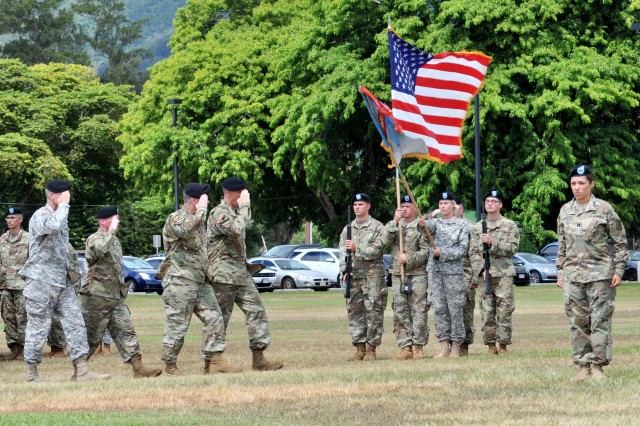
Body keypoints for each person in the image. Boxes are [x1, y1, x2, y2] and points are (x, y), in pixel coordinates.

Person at [18, 179, 110, 382]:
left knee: (76, 323)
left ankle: (82, 370)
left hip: (62, 281)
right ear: (53, 195)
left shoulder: (60, 215)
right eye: (64, 193)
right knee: (38, 327)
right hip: (41, 281)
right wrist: (64, 205)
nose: (68, 196)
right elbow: (53, 226)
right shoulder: (41, 215)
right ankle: (32, 375)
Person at [557, 165, 627, 381]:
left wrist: (620, 270)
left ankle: (597, 367)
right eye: (573, 184)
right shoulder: (564, 211)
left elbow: (620, 243)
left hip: (600, 275)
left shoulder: (604, 209)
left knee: (599, 320)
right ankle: (583, 367)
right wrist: (560, 270)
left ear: (591, 184)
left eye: (581, 183)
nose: (576, 188)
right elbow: (562, 244)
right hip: (573, 276)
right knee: (577, 322)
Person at [162, 182, 241, 376]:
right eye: (204, 198)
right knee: (178, 327)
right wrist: (202, 211)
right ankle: (170, 366)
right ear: (195, 200)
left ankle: (214, 362)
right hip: (180, 282)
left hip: (200, 281)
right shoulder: (176, 218)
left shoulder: (200, 224)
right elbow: (185, 230)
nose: (209, 200)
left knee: (215, 318)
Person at [207, 177, 283, 371]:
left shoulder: (234, 212)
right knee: (220, 318)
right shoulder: (219, 213)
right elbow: (236, 229)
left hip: (241, 273)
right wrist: (245, 207)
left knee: (256, 311)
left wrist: (241, 209)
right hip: (223, 275)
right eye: (241, 194)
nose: (244, 198)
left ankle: (259, 358)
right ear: (230, 194)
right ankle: (213, 362)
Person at [80, 206, 162, 378]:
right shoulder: (94, 239)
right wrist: (111, 232)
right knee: (91, 337)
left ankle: (138, 369)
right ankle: (79, 371)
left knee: (127, 330)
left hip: (116, 295)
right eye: (114, 218)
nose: (118, 221)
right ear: (103, 221)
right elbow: (96, 253)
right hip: (97, 296)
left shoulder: (114, 240)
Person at [469, 190, 519, 355]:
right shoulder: (477, 228)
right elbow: (473, 253)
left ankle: (503, 345)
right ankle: (491, 345)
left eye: (493, 201)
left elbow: (512, 249)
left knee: (504, 310)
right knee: (487, 311)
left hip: (503, 273)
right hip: (486, 275)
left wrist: (493, 243)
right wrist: (481, 269)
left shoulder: (509, 225)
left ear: (500, 204)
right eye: (487, 201)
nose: (489, 203)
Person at [381, 195, 430, 360]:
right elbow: (384, 241)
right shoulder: (396, 226)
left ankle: (418, 346)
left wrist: (409, 259)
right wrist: (394, 221)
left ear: (414, 208)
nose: (404, 209)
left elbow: (426, 251)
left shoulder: (421, 226)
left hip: (417, 274)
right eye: (402, 206)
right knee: (400, 311)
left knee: (419, 311)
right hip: (397, 274)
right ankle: (405, 346)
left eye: (408, 206)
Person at [339, 193, 387, 361]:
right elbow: (342, 252)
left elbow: (377, 250)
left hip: (373, 277)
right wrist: (344, 270)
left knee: (373, 312)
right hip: (354, 277)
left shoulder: (377, 227)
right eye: (355, 205)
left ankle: (371, 349)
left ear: (368, 206)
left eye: (360, 204)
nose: (357, 207)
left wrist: (356, 248)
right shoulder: (348, 229)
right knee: (355, 312)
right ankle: (359, 349)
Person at [422, 192, 470, 358]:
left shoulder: (462, 225)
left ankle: (456, 345)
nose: (443, 206)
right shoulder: (435, 223)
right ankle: (444, 346)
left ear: (453, 205)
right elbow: (424, 225)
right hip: (435, 272)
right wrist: (425, 219)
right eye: (440, 203)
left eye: (446, 203)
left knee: (455, 309)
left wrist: (442, 252)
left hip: (453, 274)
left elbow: (462, 250)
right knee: (439, 309)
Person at [0, 207, 29, 361]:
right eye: (8, 218)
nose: (9, 221)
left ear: (20, 220)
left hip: (22, 285)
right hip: (5, 285)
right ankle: (14, 348)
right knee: (8, 317)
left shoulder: (29, 239)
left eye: (13, 218)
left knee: (23, 316)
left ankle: (25, 348)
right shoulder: (2, 239)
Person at [453, 195, 478, 357]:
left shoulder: (471, 227)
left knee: (466, 310)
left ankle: (464, 345)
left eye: (454, 205)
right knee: (448, 311)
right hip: (447, 274)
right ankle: (449, 344)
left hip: (465, 273)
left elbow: (476, 253)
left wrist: (475, 277)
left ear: (461, 208)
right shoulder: (439, 225)